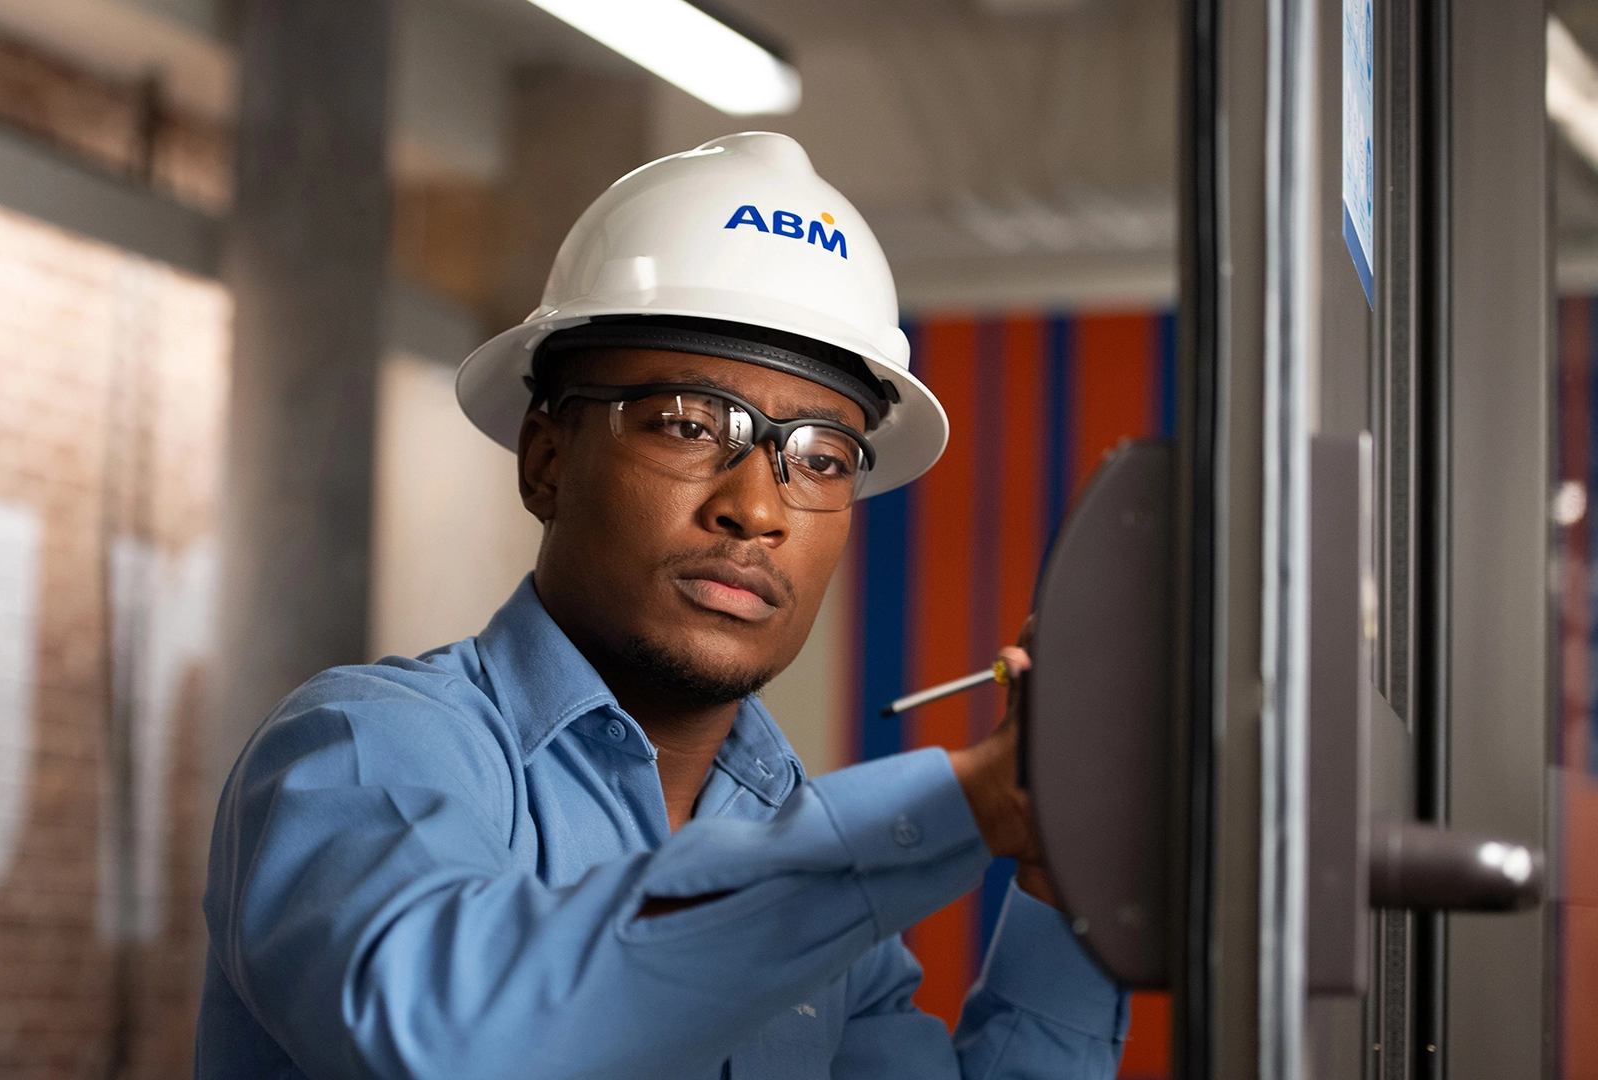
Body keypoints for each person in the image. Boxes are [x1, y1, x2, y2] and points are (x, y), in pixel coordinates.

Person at [194, 132, 1127, 1079]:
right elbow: (452, 1035)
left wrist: (1065, 875)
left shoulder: (823, 902)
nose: (756, 509)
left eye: (821, 457)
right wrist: (962, 803)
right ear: (547, 459)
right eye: (688, 424)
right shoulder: (359, 755)